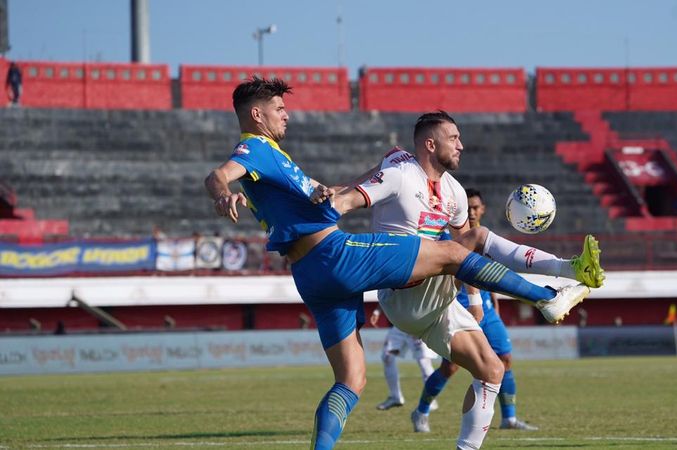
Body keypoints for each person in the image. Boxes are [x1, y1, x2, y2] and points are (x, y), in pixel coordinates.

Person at [205, 78, 595, 450]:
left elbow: (324, 198)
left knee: (351, 381)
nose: (286, 115)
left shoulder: (278, 160)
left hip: (311, 274)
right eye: (279, 108)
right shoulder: (256, 148)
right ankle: (546, 297)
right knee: (455, 253)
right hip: (333, 254)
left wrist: (333, 190)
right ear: (257, 115)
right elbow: (219, 176)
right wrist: (223, 193)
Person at [312, 110, 605, 449]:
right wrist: (330, 200)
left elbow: (470, 261)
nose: (461, 145)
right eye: (453, 138)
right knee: (476, 237)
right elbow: (348, 200)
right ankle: (562, 276)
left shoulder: (455, 192)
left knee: (491, 371)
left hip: (438, 299)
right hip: (402, 289)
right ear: (430, 143)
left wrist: (476, 299)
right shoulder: (400, 175)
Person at [414, 188, 538, 432]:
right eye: (467, 207)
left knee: (505, 359)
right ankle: (421, 412)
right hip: (457, 306)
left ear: (482, 210)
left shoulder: (486, 239)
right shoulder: (447, 236)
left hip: (487, 309)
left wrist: (495, 303)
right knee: (450, 367)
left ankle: (509, 418)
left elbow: (491, 274)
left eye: (475, 207)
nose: (470, 211)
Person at [371, 309, 440, 412]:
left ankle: (431, 400)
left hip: (417, 323)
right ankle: (395, 397)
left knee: (424, 362)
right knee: (387, 357)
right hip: (399, 325)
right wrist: (377, 311)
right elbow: (384, 292)